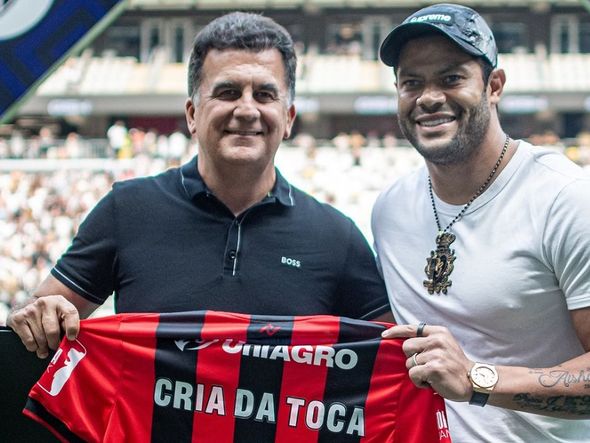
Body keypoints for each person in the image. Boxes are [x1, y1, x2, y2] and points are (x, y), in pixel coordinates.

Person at [8, 12, 392, 360]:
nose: (246, 110)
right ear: (192, 114)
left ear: (288, 118)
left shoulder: (336, 237)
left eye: (265, 94)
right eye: (227, 92)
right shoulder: (127, 210)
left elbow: (393, 357)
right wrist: (37, 315)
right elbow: (33, 320)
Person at [372, 3, 590, 442]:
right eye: (412, 82)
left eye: (451, 78)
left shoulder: (566, 199)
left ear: (494, 85)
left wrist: (477, 379)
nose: (429, 97)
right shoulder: (390, 210)